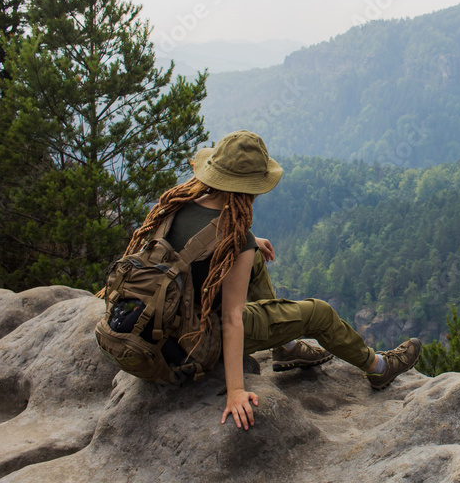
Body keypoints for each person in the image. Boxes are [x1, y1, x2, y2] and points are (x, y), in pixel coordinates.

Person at [122, 130, 421, 430]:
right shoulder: (236, 239)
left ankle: (286, 346)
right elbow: (231, 318)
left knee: (252, 255)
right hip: (197, 342)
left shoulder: (174, 205)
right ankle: (378, 367)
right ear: (249, 188)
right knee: (320, 313)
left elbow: (189, 255)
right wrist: (236, 391)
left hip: (155, 327)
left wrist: (250, 245)